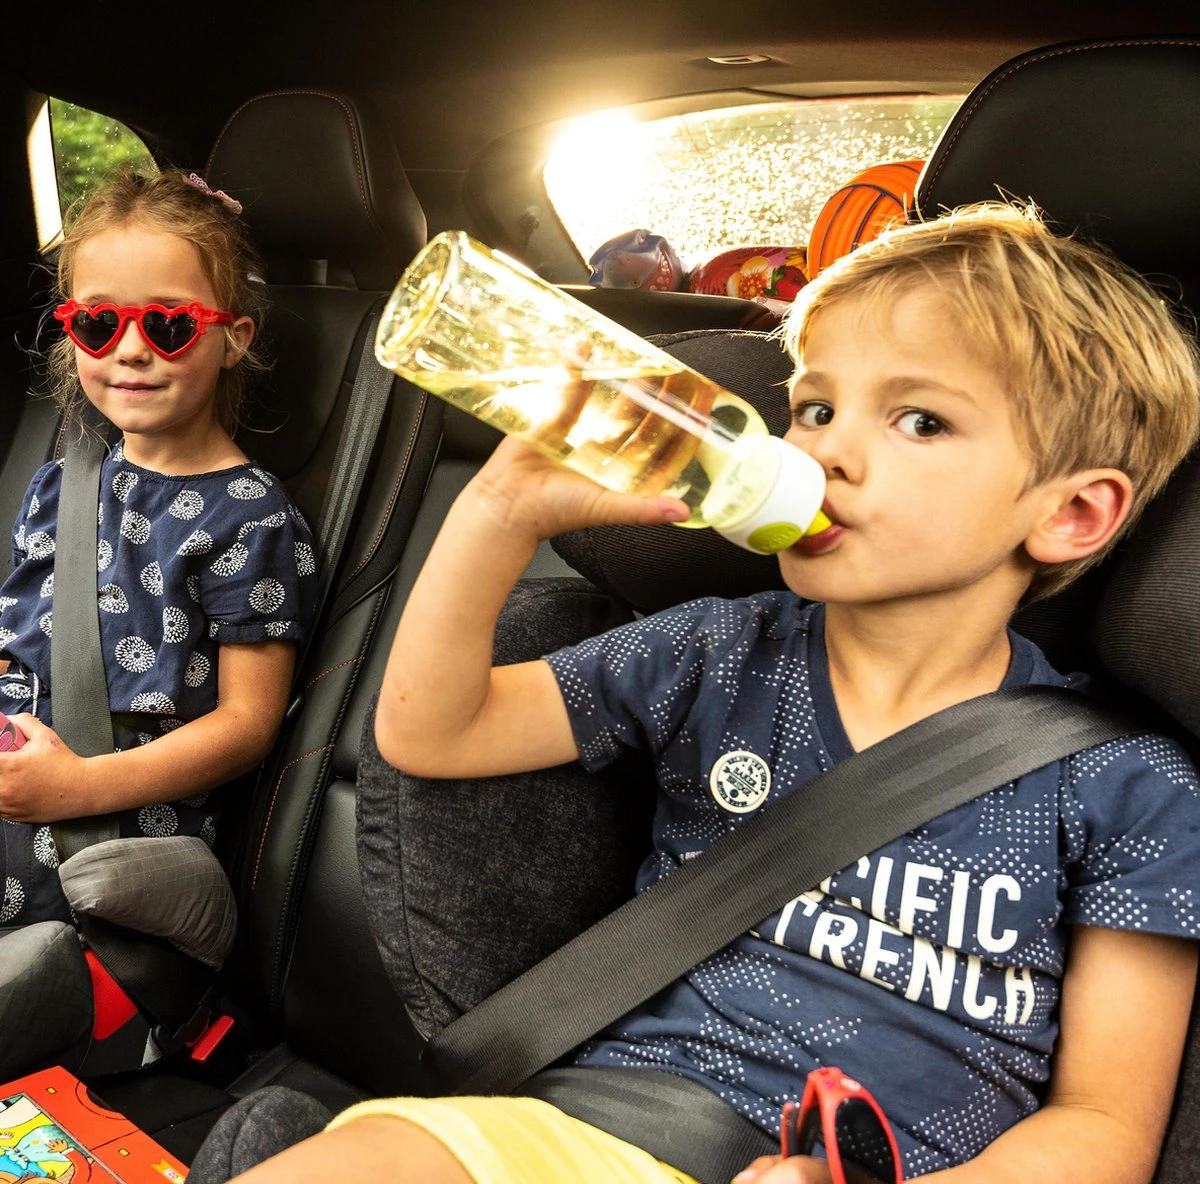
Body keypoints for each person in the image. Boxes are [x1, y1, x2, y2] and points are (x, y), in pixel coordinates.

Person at [209, 202, 1200, 1183]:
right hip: (603, 1133)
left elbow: (1104, 1125)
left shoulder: (1125, 783)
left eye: (920, 420)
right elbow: (435, 734)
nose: (825, 451)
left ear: (1072, 514)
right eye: (815, 408)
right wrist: (501, 512)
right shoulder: (718, 649)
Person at [0, 166, 318, 1063]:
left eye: (170, 325)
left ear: (233, 338)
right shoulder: (60, 484)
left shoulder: (251, 517)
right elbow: (20, 643)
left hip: (112, 820)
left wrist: (78, 789)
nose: (131, 351)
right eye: (100, 324)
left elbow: (248, 726)